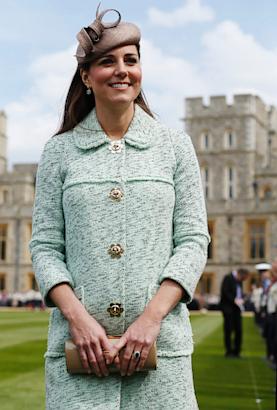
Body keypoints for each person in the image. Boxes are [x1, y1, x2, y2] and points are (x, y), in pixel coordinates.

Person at [29, 5, 209, 410]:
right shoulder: (59, 152)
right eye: (107, 61)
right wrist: (78, 320)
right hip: (78, 353)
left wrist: (150, 321)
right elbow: (44, 246)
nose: (122, 70)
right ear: (86, 76)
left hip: (162, 355)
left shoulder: (174, 146)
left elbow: (194, 240)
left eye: (131, 59)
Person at [220, 268, 249, 358]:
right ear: (240, 274)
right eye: (243, 279)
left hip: (237, 309)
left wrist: (242, 299)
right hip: (228, 309)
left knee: (238, 330)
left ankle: (237, 351)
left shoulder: (239, 281)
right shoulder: (228, 278)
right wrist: (234, 300)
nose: (243, 281)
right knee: (228, 330)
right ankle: (229, 351)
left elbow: (239, 292)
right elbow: (225, 292)